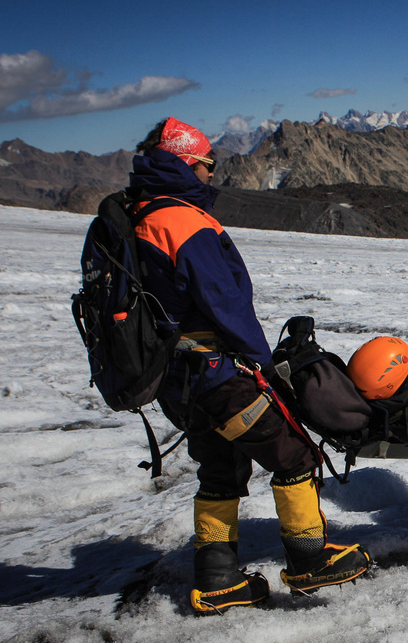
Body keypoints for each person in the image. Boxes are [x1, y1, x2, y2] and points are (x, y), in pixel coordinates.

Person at [128, 117, 369, 614]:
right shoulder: (183, 220)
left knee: (220, 470)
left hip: (178, 379)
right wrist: (263, 366)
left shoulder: (138, 213)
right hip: (219, 374)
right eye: (206, 164)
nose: (211, 174)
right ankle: (309, 561)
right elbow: (224, 303)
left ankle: (217, 580)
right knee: (294, 453)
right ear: (184, 162)